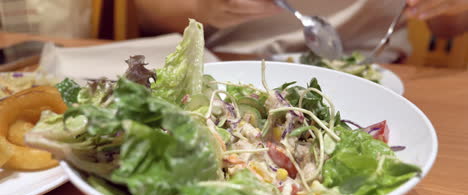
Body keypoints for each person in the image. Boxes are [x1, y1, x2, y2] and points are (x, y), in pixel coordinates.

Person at [134, 0, 468, 62]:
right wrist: (201, 9)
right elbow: (148, 13)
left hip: (381, 72)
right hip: (230, 68)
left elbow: (449, 26)